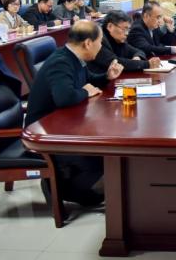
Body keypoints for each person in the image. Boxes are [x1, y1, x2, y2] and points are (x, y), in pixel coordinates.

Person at [25, 21, 123, 206]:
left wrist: (107, 76)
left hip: (65, 121)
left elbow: (89, 80)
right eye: (100, 42)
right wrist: (86, 91)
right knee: (99, 160)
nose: (101, 47)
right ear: (88, 43)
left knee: (106, 154)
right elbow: (65, 97)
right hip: (47, 131)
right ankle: (63, 188)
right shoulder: (61, 62)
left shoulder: (74, 57)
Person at [88, 10, 161, 73]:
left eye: (128, 29)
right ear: (110, 26)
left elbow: (138, 51)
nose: (127, 33)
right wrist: (147, 64)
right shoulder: (99, 39)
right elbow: (116, 62)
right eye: (124, 29)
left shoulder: (117, 39)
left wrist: (137, 57)